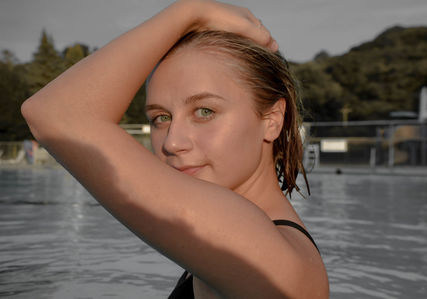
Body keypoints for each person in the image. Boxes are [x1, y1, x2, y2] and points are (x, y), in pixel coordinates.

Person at [21, 0, 329, 298]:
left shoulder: (257, 250)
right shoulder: (252, 246)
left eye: (205, 111)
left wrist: (189, 11)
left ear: (272, 120)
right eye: (161, 118)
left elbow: (55, 115)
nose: (171, 142)